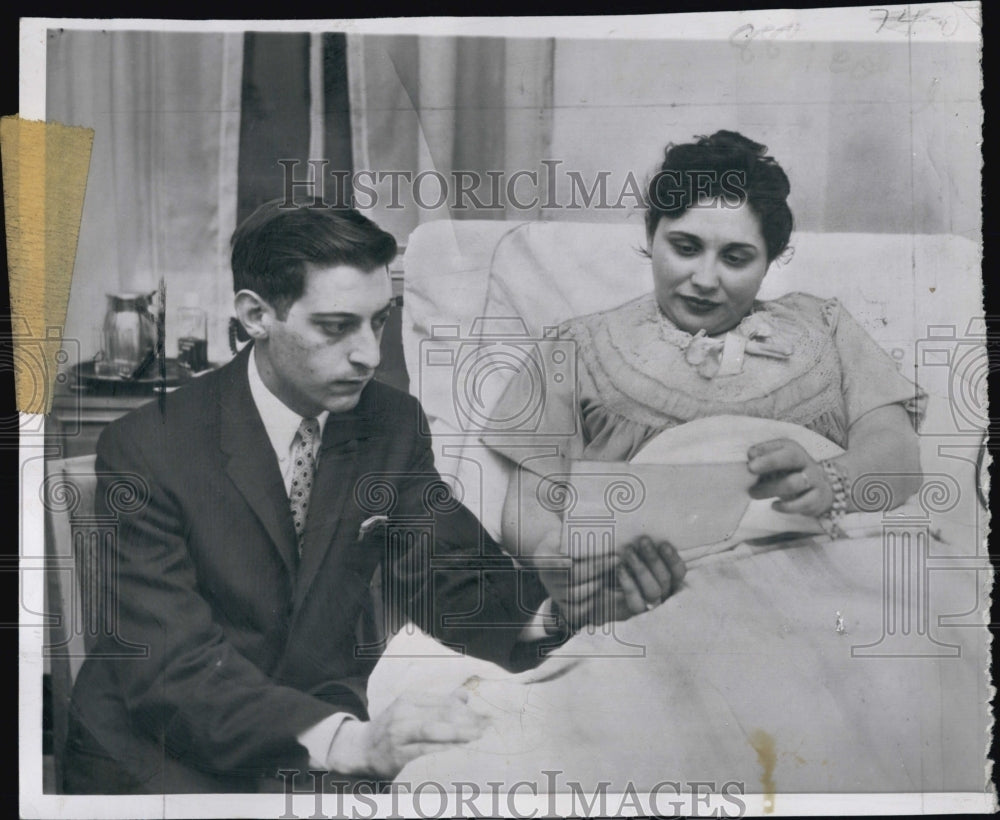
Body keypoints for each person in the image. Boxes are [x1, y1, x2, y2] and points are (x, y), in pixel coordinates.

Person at [62, 201, 680, 793]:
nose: (368, 353)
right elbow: (173, 673)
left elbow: (450, 576)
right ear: (255, 316)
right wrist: (351, 743)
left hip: (323, 745)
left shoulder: (390, 422)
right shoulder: (148, 447)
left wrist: (560, 611)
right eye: (336, 326)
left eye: (379, 320)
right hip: (161, 753)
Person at [492, 131, 924, 626]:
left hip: (828, 593)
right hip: (655, 603)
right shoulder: (576, 347)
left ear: (769, 261)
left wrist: (834, 483)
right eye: (685, 247)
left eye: (735, 258)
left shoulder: (823, 328)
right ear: (652, 236)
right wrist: (561, 558)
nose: (704, 278)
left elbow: (900, 456)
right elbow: (527, 508)